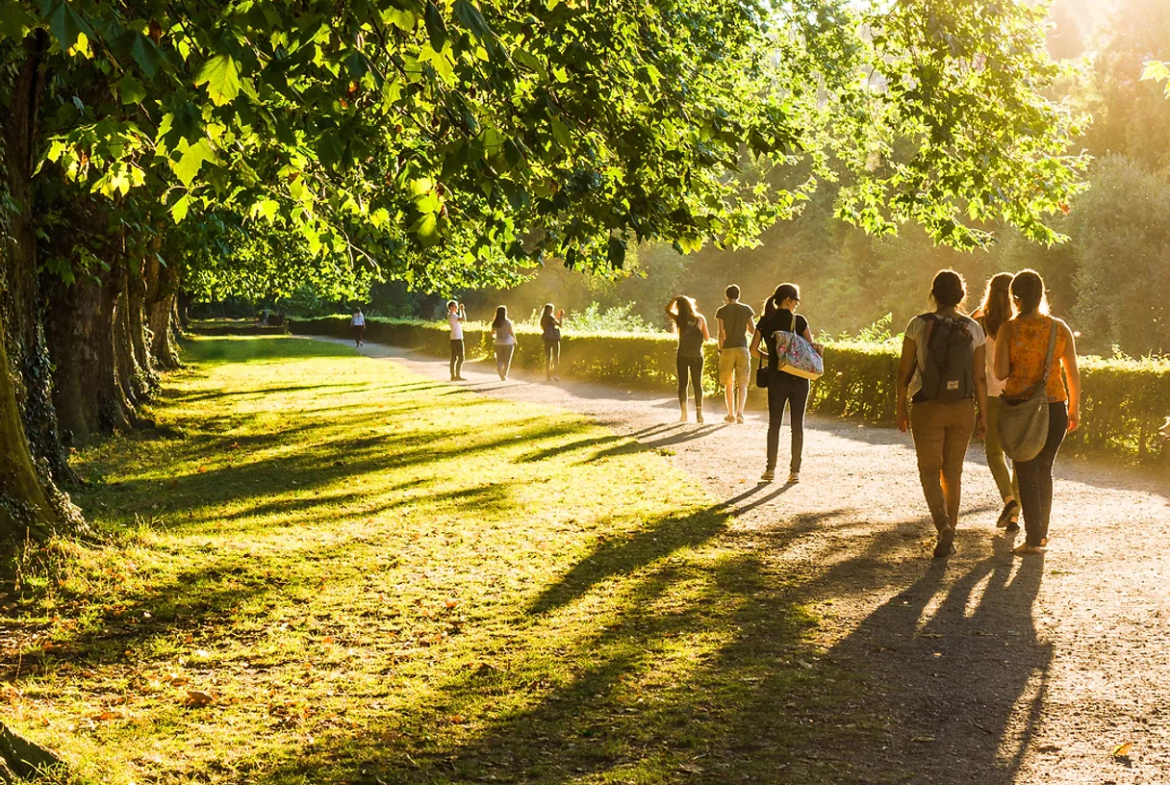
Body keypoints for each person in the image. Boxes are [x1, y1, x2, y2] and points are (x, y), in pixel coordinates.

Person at [896, 270, 989, 559]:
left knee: (928, 471)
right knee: (953, 473)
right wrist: (983, 415)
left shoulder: (917, 325)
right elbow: (979, 378)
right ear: (961, 295)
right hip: (962, 407)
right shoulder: (974, 328)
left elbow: (904, 372)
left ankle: (943, 526)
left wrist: (900, 406)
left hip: (927, 406)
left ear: (933, 294)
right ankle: (951, 530)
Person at [994, 269, 1081, 556]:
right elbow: (1073, 372)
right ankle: (1039, 536)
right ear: (1041, 294)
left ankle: (1034, 539)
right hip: (1055, 406)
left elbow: (1000, 372)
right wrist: (1074, 409)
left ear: (1015, 298)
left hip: (1021, 408)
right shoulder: (1059, 328)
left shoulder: (1009, 329)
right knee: (1044, 470)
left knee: (1025, 468)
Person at [751, 283, 815, 484]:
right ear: (788, 299)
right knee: (797, 426)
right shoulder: (800, 321)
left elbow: (753, 349)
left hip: (776, 378)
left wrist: (771, 357)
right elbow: (811, 350)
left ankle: (770, 469)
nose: (796, 304)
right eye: (796, 300)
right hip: (799, 379)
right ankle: (794, 472)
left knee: (774, 425)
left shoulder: (765, 320)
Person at [972, 274, 1020, 530]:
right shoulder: (1019, 323)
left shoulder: (978, 320)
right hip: (1016, 396)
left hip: (989, 395)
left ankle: (1009, 499)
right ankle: (1014, 515)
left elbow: (974, 364)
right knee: (1019, 457)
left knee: (994, 453)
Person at [715, 285, 756, 424]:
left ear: (726, 296)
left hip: (727, 348)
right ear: (739, 295)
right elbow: (753, 329)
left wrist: (720, 349)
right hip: (742, 347)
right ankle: (740, 413)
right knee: (742, 382)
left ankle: (730, 414)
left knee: (728, 383)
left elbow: (721, 333)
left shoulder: (721, 311)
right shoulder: (746, 309)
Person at [666, 296, 710, 423]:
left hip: (682, 356)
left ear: (679, 308)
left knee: (683, 384)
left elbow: (667, 310)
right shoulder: (700, 319)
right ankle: (699, 413)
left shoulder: (680, 320)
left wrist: (674, 299)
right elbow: (707, 338)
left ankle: (684, 414)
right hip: (697, 356)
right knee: (697, 385)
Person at [491, 305, 516, 381]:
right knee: (507, 359)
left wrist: (496, 336)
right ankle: (504, 374)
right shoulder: (507, 321)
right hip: (508, 342)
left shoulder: (495, 323)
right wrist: (515, 339)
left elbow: (492, 333)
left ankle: (499, 368)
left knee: (500, 358)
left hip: (498, 342)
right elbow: (511, 332)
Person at [540, 304, 564, 381]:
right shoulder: (550, 317)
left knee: (547, 357)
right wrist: (561, 317)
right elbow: (559, 325)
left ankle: (548, 376)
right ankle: (556, 374)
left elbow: (549, 323)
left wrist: (556, 316)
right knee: (555, 357)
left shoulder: (543, 318)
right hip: (554, 339)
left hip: (547, 339)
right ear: (550, 310)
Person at [447, 300, 467, 381]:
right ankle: (457, 375)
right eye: (455, 306)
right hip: (457, 338)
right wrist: (463, 310)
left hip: (453, 338)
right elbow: (463, 319)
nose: (456, 307)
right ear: (451, 307)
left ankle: (453, 375)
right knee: (461, 357)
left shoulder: (450, 315)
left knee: (454, 358)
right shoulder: (453, 316)